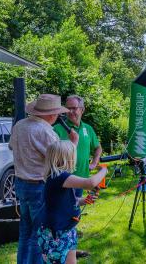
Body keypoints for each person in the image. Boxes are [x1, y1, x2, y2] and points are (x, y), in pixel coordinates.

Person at [9, 94, 78, 264]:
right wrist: (73, 144)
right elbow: (62, 161)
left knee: (25, 233)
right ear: (51, 114)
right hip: (38, 186)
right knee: (37, 236)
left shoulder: (20, 125)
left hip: (20, 184)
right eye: (57, 113)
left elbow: (11, 146)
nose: (58, 116)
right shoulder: (45, 131)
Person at [38, 140, 107, 264]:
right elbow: (89, 183)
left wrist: (83, 201)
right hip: (56, 234)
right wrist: (103, 171)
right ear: (66, 158)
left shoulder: (59, 177)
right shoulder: (59, 176)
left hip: (67, 230)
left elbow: (69, 201)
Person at [53, 95, 102, 258]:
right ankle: (63, 251)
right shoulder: (58, 128)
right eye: (68, 108)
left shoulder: (88, 128)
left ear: (82, 109)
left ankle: (71, 250)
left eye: (74, 108)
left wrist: (94, 163)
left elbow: (98, 148)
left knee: (75, 215)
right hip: (64, 181)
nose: (71, 111)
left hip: (82, 180)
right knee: (64, 217)